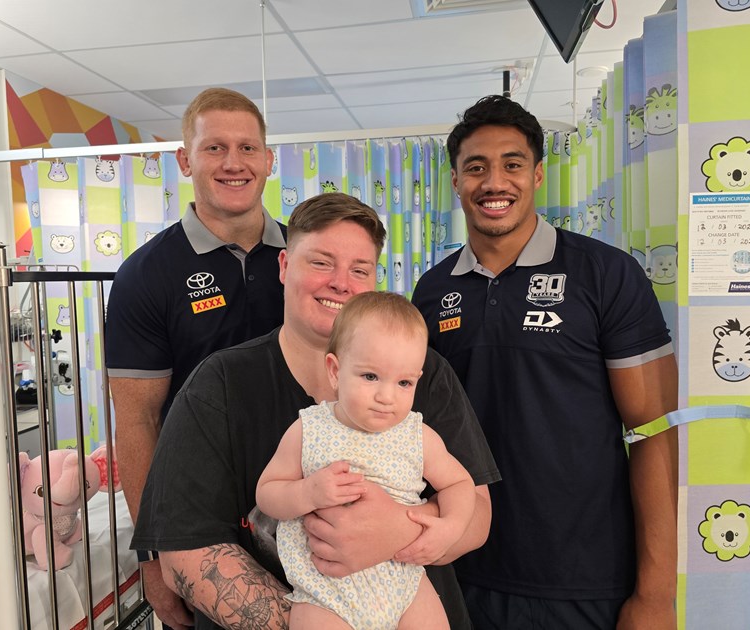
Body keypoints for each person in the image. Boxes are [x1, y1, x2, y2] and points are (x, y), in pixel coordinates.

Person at [130, 192, 501, 630]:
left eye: (359, 269)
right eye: (322, 262)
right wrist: (329, 616)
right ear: (285, 265)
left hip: (411, 601)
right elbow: (184, 552)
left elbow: (476, 510)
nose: (341, 283)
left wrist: (400, 529)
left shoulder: (423, 372)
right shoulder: (220, 385)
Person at [411, 95, 679, 630]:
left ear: (536, 175)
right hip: (461, 567)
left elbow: (654, 432)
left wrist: (656, 595)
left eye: (512, 164)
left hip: (582, 577)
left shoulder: (606, 274)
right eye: (476, 167)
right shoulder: (432, 291)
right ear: (456, 181)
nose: (494, 182)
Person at [105, 87, 285, 629]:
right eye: (214, 148)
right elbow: (137, 422)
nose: (234, 163)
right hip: (198, 529)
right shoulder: (145, 276)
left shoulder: (308, 257)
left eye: (247, 148)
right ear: (185, 160)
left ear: (268, 160)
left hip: (308, 512)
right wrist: (151, 555)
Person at [256, 291, 476, 629]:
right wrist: (307, 492)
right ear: (335, 371)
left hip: (404, 584)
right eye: (370, 377)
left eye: (403, 382)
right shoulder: (309, 429)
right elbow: (267, 492)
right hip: (327, 593)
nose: (386, 396)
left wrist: (451, 527)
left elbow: (460, 483)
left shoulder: (418, 435)